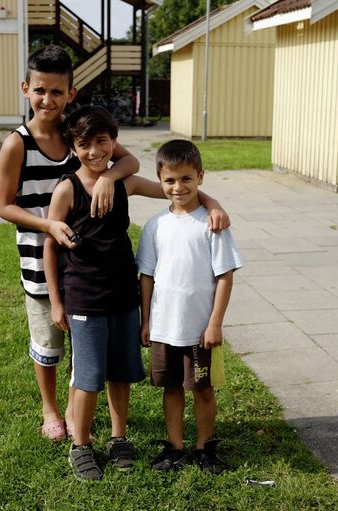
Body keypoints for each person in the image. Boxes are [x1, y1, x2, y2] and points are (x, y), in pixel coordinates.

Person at [43, 108, 230, 481]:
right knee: (88, 377)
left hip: (125, 298)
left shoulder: (124, 184)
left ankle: (118, 438)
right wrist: (57, 301)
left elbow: (173, 191)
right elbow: (51, 246)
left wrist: (213, 203)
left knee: (121, 374)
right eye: (84, 145)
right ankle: (80, 445)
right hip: (85, 301)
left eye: (102, 142)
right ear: (73, 147)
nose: (95, 151)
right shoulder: (67, 189)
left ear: (113, 142)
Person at [0, 45, 140, 442]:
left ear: (71, 94)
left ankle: (80, 409)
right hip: (40, 258)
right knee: (47, 339)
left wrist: (109, 178)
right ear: (26, 89)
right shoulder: (17, 144)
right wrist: (48, 226)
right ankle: (50, 409)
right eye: (40, 90)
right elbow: (4, 206)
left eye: (57, 92)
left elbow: (131, 163)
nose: (48, 99)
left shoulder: (78, 133)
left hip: (85, 263)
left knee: (84, 337)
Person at [136, 140, 242, 475]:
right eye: (169, 180)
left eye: (186, 179)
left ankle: (205, 448)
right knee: (170, 388)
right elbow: (147, 277)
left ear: (200, 176)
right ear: (159, 180)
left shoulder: (212, 224)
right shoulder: (155, 226)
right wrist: (146, 321)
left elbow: (225, 277)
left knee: (203, 389)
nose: (177, 187)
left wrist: (215, 323)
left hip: (199, 328)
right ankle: (175, 447)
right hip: (164, 326)